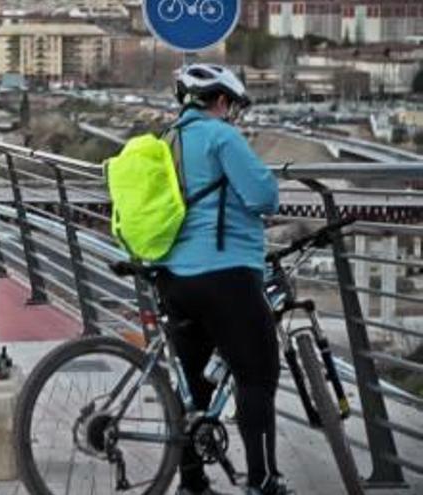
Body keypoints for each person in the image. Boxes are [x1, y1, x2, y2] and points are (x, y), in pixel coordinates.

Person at [153, 64, 286, 495]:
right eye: (233, 107)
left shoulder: (167, 140)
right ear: (223, 101)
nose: (233, 115)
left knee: (192, 383)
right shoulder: (221, 135)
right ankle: (262, 480)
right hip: (225, 273)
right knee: (257, 374)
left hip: (175, 276)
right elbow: (264, 196)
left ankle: (192, 481)